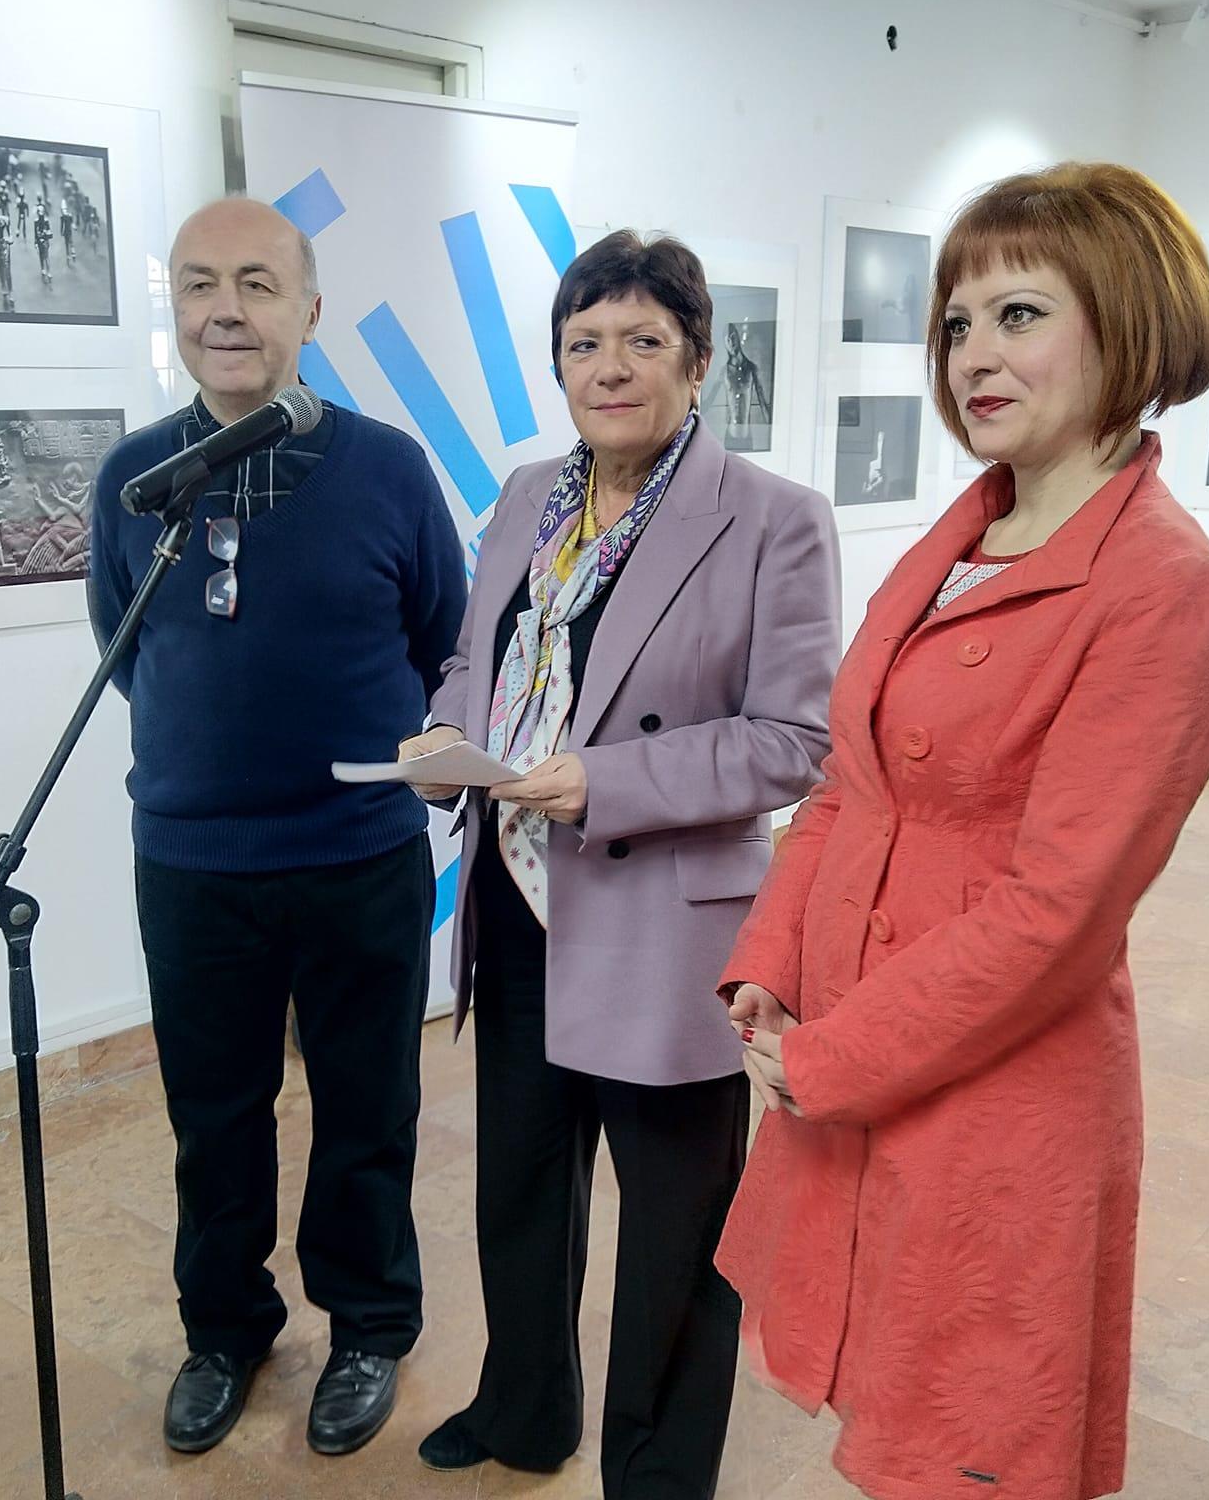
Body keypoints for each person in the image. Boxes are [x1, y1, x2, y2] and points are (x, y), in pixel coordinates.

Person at [716, 163, 1209, 1500]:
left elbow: (1057, 917)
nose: (973, 356)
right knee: (879, 1405)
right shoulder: (962, 534)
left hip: (992, 1092)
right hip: (851, 1037)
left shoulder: (1166, 589)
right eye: (957, 323)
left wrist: (832, 1055)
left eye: (1019, 314)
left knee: (966, 1441)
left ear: (1130, 322)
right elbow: (847, 785)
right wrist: (768, 966)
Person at [401, 230, 840, 1499]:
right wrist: (445, 737)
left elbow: (793, 738)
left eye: (643, 341)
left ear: (696, 362)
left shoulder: (771, 520)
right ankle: (525, 1406)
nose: (611, 367)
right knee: (519, 1191)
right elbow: (474, 665)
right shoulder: (525, 494)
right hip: (519, 902)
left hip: (665, 924)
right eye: (584, 343)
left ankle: (654, 1473)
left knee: (673, 1236)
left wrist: (610, 781)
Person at [87, 196, 467, 1461]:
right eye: (200, 285)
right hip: (194, 865)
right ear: (175, 313)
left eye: (256, 282)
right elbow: (129, 649)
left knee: (366, 1106)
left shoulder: (387, 469)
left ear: (307, 309)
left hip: (356, 856)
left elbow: (438, 641)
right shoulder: (132, 480)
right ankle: (225, 1330)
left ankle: (366, 1326)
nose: (225, 310)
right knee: (214, 1112)